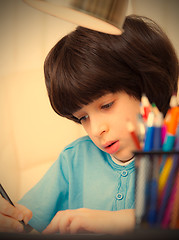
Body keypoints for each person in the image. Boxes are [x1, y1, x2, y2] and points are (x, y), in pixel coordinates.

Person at [0, 14, 178, 235]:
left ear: (146, 88)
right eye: (83, 118)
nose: (96, 130)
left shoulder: (171, 156)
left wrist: (119, 221)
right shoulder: (74, 159)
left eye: (106, 105)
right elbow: (27, 223)